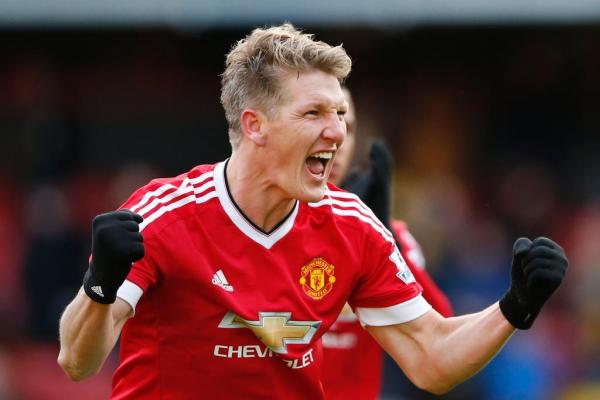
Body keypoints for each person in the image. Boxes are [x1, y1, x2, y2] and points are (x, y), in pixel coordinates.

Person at [57, 24, 568, 399]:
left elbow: (431, 357)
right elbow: (77, 363)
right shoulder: (161, 215)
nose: (338, 133)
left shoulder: (353, 226)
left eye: (340, 114)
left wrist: (513, 308)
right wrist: (99, 286)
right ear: (255, 125)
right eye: (314, 114)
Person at [322, 88, 453, 400]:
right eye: (317, 118)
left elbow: (440, 339)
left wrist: (385, 242)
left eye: (347, 126)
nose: (336, 140)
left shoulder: (389, 237)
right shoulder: (253, 231)